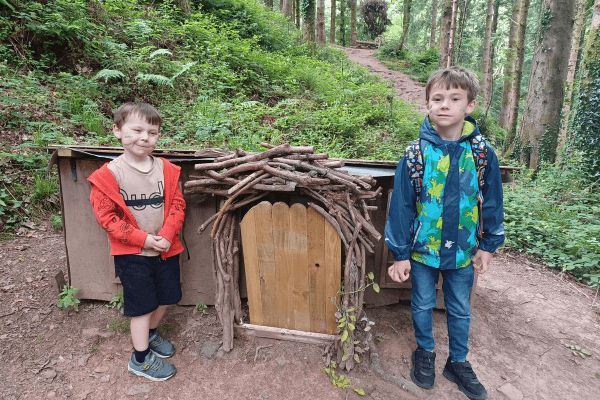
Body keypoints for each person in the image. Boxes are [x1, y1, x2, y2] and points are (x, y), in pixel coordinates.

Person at [384, 66, 504, 399]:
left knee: (460, 308)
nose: (445, 105)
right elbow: (402, 207)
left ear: (470, 105)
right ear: (427, 105)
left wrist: (489, 245)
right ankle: (425, 351)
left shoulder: (481, 154)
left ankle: (459, 361)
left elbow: (492, 201)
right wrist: (400, 254)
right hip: (423, 251)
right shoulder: (415, 156)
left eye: (454, 98)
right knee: (422, 304)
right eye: (437, 98)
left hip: (463, 251)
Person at [88, 102, 186, 381]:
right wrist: (143, 239)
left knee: (167, 299)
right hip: (133, 255)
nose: (145, 137)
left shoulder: (167, 170)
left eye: (152, 132)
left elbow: (178, 205)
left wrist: (166, 236)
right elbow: (107, 219)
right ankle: (140, 358)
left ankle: (151, 335)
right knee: (142, 307)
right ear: (117, 131)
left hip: (167, 249)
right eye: (137, 130)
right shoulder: (108, 175)